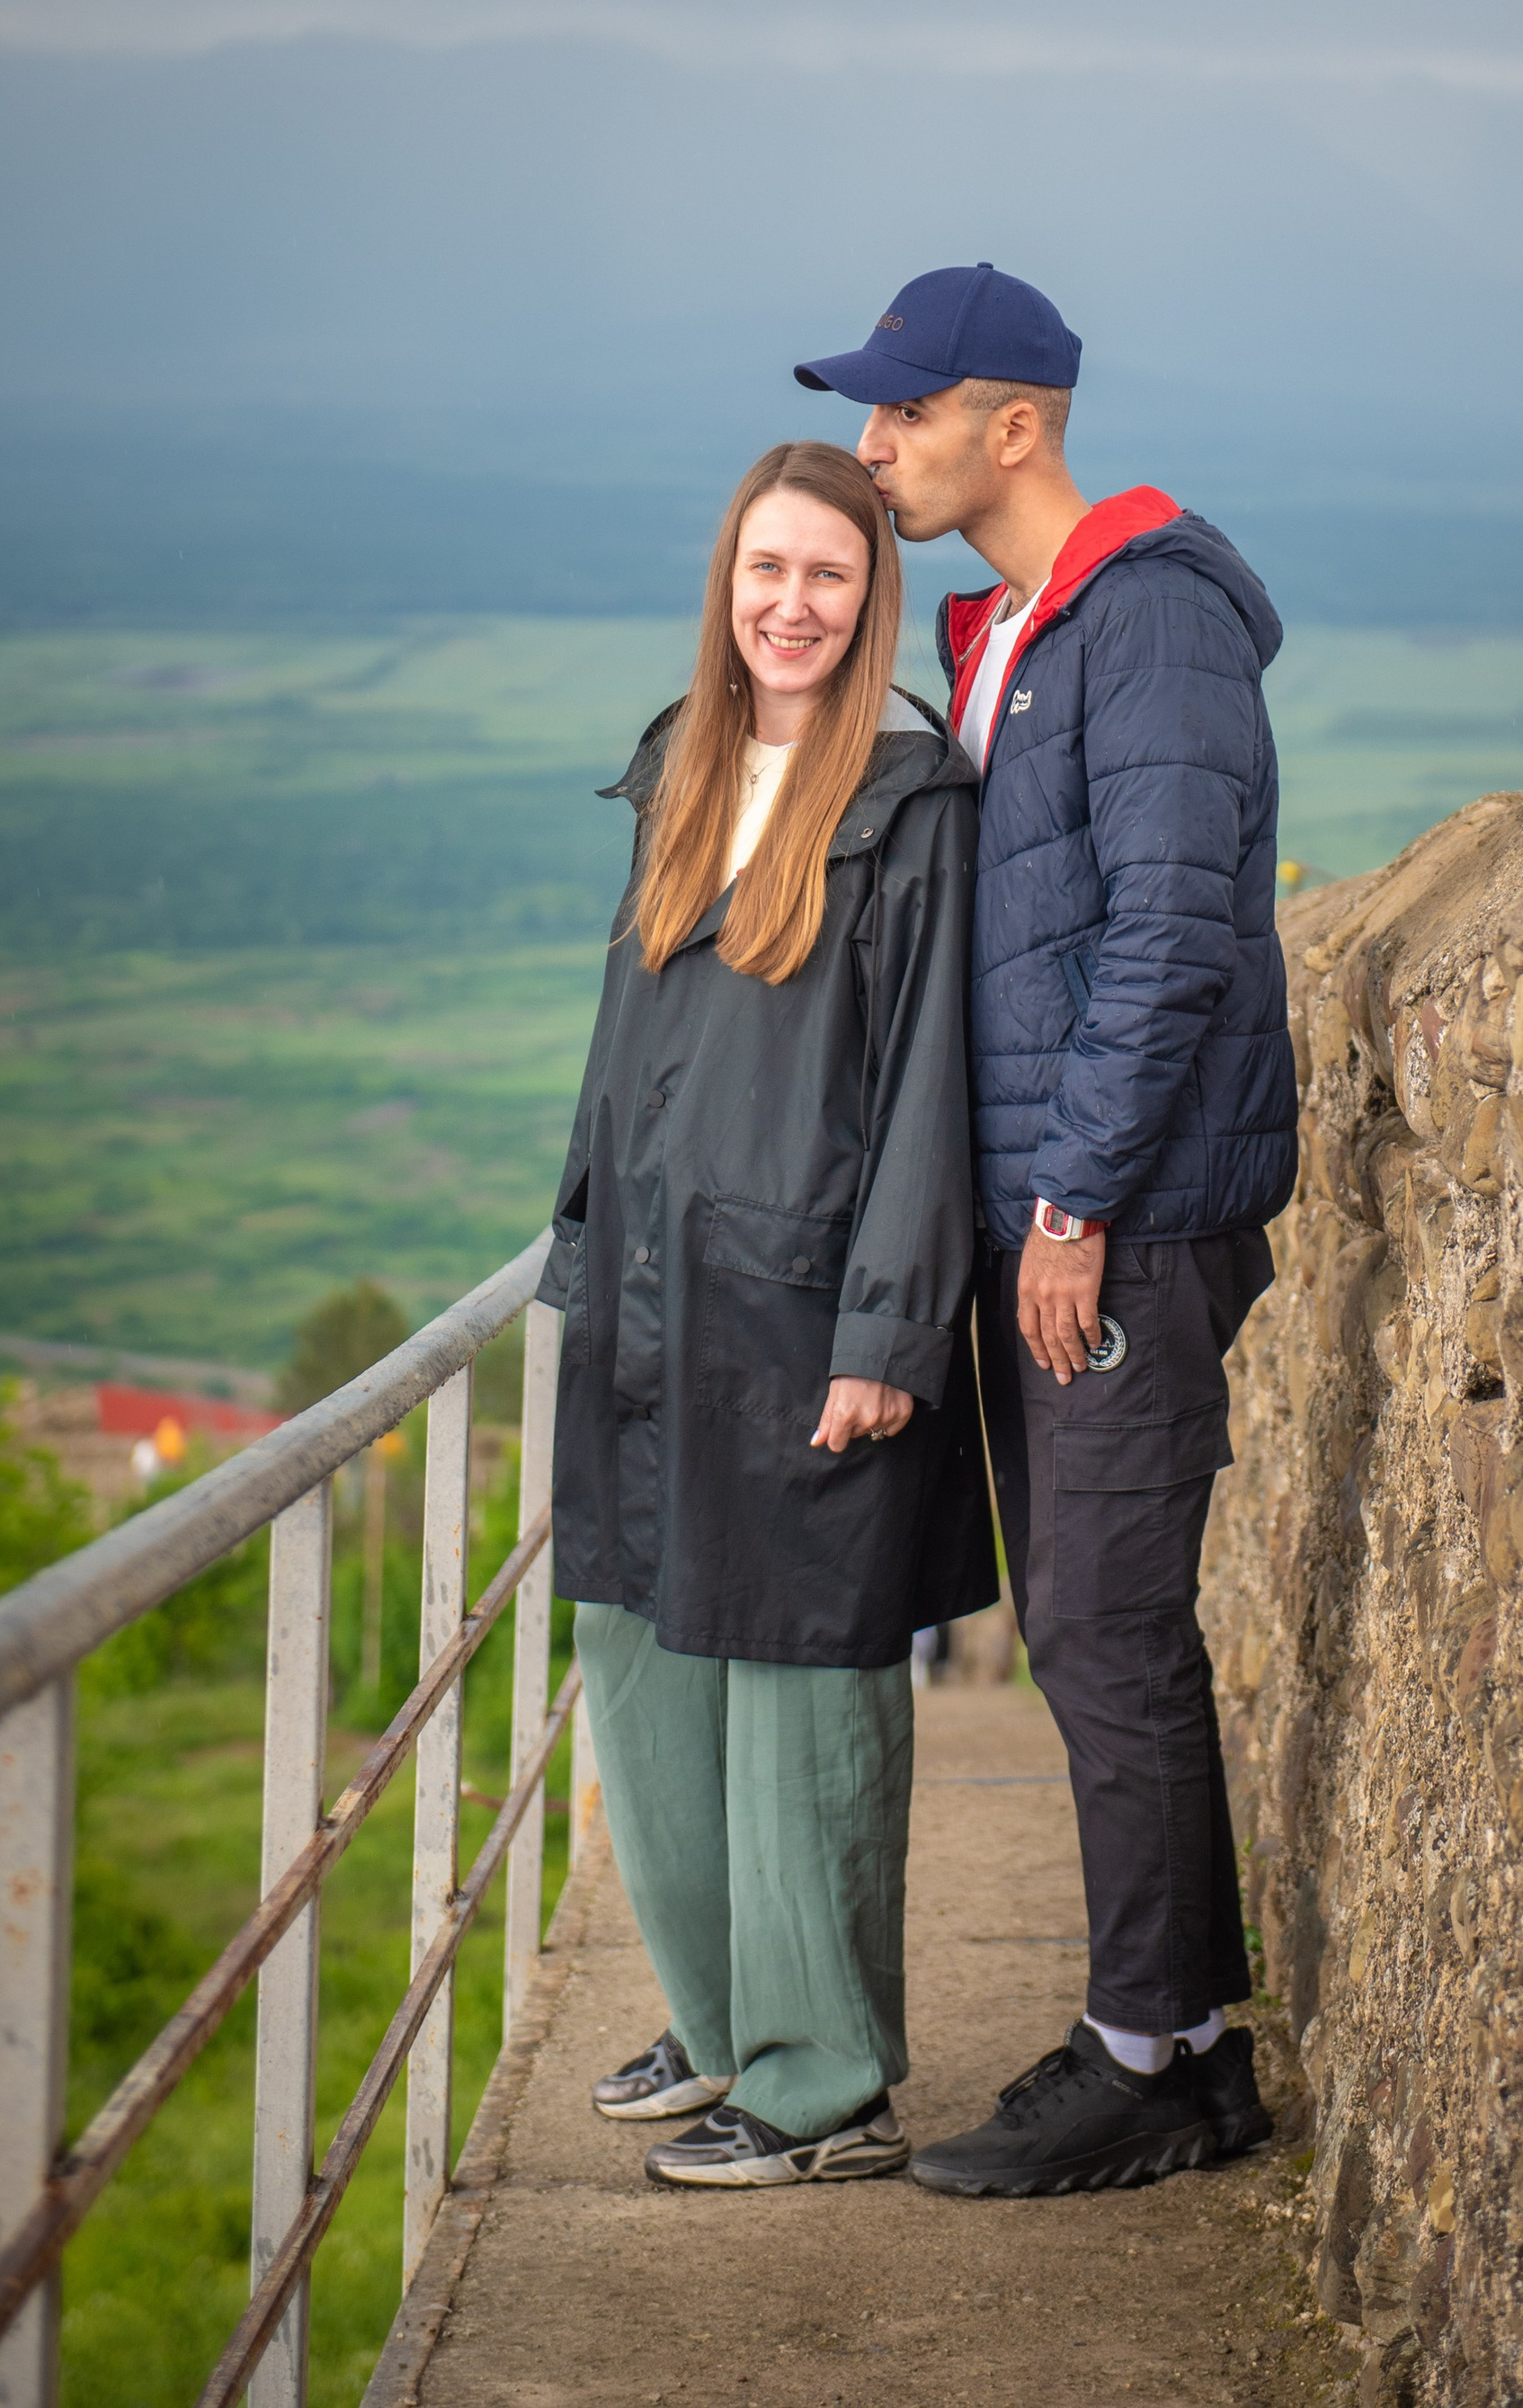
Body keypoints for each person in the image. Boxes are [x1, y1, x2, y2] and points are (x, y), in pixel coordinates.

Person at [796, 263, 1300, 2197]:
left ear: (1012, 426)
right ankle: (1148, 2021)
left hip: (1130, 1226)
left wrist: (1073, 1200)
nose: (872, 448)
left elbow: (1175, 931)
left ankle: (1162, 2062)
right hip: (1063, 1216)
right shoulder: (1018, 624)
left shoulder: (1147, 622)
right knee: (1086, 1629)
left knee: (1104, 1629)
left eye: (902, 415)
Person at [537, 438, 997, 2189]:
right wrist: (581, 1250)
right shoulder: (683, 762)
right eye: (764, 571)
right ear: (724, 585)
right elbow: (620, 1056)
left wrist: (887, 1335)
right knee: (645, 1664)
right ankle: (721, 2018)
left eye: (828, 575)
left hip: (806, 1313)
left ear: (870, 598)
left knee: (798, 1691)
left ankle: (820, 2091)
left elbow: (927, 1093)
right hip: (651, 1305)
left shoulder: (905, 802)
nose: (789, 604)